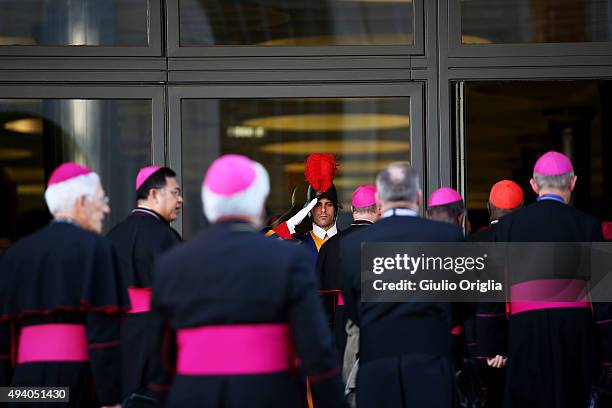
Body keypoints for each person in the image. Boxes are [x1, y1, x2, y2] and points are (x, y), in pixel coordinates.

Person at [149, 154, 346, 408]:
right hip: (269, 393)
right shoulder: (288, 258)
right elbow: (315, 350)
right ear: (259, 204)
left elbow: (162, 356)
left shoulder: (171, 263)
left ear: (208, 203)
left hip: (195, 396)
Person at [0, 162, 128, 408]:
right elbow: (103, 332)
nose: (106, 208)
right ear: (82, 202)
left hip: (24, 384)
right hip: (77, 380)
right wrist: (111, 400)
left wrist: (6, 392)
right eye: (102, 199)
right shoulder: (96, 249)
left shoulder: (16, 254)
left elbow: (4, 336)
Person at [340, 162, 464, 408]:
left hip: (377, 369)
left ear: (379, 201)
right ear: (418, 197)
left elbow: (354, 310)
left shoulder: (352, 245)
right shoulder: (448, 237)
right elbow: (461, 306)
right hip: (431, 365)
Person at [494, 151, 611, 408]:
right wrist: (608, 354)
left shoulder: (508, 226)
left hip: (526, 329)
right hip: (575, 329)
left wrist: (494, 344)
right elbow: (603, 296)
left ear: (534, 185)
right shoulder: (589, 225)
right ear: (573, 182)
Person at [106, 166, 182, 402]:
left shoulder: (112, 235)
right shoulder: (168, 237)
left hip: (121, 333)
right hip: (160, 335)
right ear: (153, 194)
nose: (180, 200)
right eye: (174, 193)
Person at [316, 185, 380, 405]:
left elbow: (322, 305)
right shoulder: (387, 242)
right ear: (378, 208)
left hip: (341, 330)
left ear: (353, 209)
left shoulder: (329, 247)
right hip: (378, 325)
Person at [469, 179, 523, 407]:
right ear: (521, 210)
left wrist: (491, 348)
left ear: (489, 208)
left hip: (484, 345)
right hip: (525, 342)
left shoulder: (474, 243)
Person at [269, 153, 341, 264]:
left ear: (336, 208)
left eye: (329, 204)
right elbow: (260, 249)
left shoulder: (349, 241)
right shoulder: (295, 244)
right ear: (308, 209)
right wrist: (289, 225)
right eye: (317, 205)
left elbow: (369, 279)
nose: (323, 210)